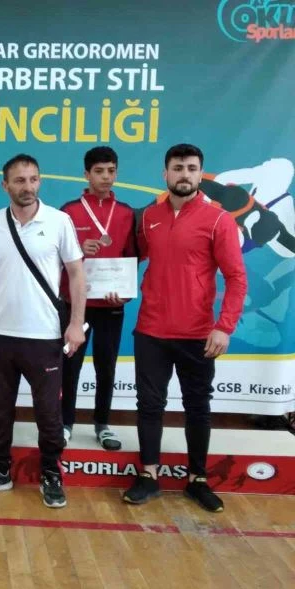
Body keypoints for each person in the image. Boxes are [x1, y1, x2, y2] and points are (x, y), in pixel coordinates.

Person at [123, 144, 247, 512]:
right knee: (149, 405)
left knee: (197, 407)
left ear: (200, 174)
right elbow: (134, 260)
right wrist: (109, 276)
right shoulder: (148, 217)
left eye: (192, 168)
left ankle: (197, 480)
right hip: (151, 331)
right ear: (165, 174)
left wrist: (224, 327)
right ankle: (149, 475)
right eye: (178, 168)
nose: (185, 174)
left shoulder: (219, 220)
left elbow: (237, 277)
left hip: (197, 334)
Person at [0, 154, 87, 509]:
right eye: (19, 180)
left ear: (40, 181)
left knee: (49, 414)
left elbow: (76, 274)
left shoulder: (59, 221)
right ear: (5, 185)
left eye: (33, 179)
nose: (27, 186)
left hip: (45, 336)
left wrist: (75, 323)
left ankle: (51, 473)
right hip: (0, 334)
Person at [60, 146, 137, 450]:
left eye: (111, 171)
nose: (106, 177)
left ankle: (102, 424)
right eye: (99, 171)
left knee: (107, 367)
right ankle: (65, 423)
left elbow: (131, 257)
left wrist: (125, 294)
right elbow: (55, 256)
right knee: (69, 366)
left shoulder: (127, 213)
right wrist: (80, 250)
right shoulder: (69, 211)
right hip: (73, 305)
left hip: (110, 306)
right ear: (86, 174)